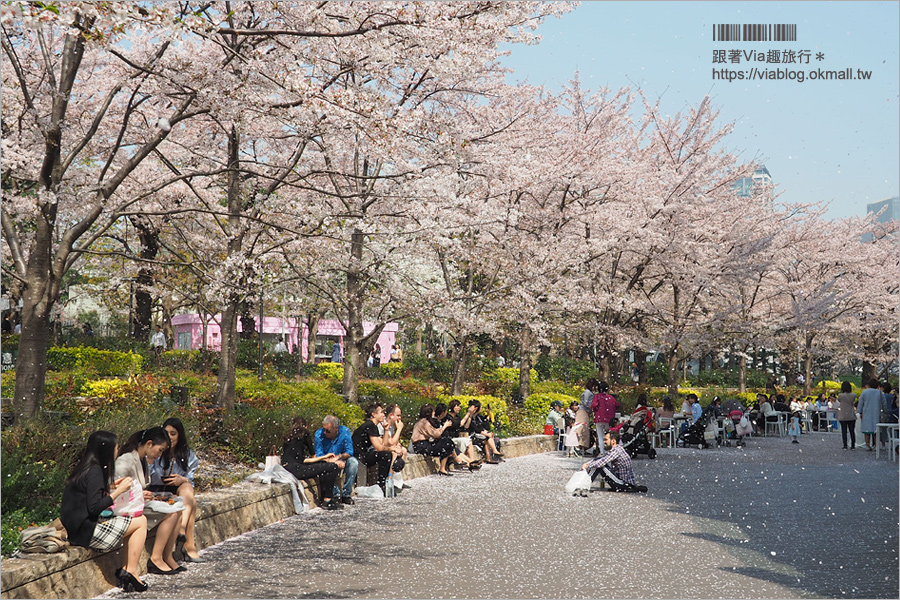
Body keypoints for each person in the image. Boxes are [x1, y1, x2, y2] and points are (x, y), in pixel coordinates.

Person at [61, 431, 150, 593]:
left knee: (136, 521)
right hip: (85, 532)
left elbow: (90, 496)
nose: (117, 451)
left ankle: (129, 570)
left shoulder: (86, 467)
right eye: (115, 448)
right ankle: (130, 571)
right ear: (106, 450)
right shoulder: (94, 471)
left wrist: (112, 487)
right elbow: (94, 507)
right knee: (141, 521)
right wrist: (119, 491)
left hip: (77, 528)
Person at [115, 428, 184, 575]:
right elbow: (115, 488)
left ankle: (167, 556)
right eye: (160, 450)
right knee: (171, 513)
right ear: (149, 444)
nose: (160, 455)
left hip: (138, 503)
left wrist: (145, 494)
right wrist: (139, 493)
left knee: (178, 509)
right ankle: (156, 558)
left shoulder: (142, 460)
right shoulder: (125, 460)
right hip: (126, 507)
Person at [148, 418, 203, 563]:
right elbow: (147, 477)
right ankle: (188, 545)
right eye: (166, 433)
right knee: (192, 503)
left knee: (187, 487)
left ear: (179, 435)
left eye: (173, 434)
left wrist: (182, 479)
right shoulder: (155, 451)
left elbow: (190, 479)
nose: (169, 438)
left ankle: (182, 529)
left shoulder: (187, 455)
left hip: (178, 490)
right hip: (156, 490)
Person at [281, 416, 343, 510]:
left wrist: (324, 457)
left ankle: (323, 497)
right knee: (332, 467)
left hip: (287, 468)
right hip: (297, 470)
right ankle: (327, 499)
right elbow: (313, 455)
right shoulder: (304, 433)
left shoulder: (288, 436)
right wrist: (326, 461)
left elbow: (301, 461)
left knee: (322, 465)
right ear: (305, 426)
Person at [352, 403, 406, 493]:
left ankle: (383, 483)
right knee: (385, 455)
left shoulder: (373, 426)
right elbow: (379, 448)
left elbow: (383, 444)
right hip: (359, 457)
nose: (383, 415)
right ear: (374, 414)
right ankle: (382, 485)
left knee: (386, 454)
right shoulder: (369, 425)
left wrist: (386, 430)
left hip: (364, 455)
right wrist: (392, 449)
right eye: (381, 412)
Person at [411, 404, 475, 475]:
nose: (434, 413)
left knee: (447, 442)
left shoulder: (424, 421)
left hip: (424, 445)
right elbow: (436, 434)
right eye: (433, 412)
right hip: (421, 446)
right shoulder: (424, 422)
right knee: (446, 442)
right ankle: (453, 461)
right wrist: (444, 426)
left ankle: (445, 467)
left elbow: (434, 433)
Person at [581, 430, 647, 493]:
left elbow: (603, 462)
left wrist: (588, 466)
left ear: (613, 441)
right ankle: (584, 483)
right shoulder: (617, 449)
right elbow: (601, 458)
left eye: (606, 439)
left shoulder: (617, 451)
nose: (604, 442)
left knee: (600, 465)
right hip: (623, 483)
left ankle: (584, 484)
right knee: (598, 462)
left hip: (623, 484)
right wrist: (588, 463)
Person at [314, 415, 358, 505]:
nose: (325, 433)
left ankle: (346, 494)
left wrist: (339, 457)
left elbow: (349, 452)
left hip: (341, 459)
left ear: (336, 428)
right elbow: (319, 455)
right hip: (327, 462)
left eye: (328, 431)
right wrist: (332, 461)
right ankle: (335, 494)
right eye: (324, 429)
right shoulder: (319, 435)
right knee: (326, 467)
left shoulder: (345, 432)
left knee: (353, 463)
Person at [467, 399, 503, 463]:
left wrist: (488, 414)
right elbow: (474, 428)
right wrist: (486, 434)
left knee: (493, 439)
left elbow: (486, 426)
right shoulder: (469, 417)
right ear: (476, 408)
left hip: (479, 436)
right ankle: (493, 453)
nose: (481, 408)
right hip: (472, 436)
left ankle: (491, 457)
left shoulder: (478, 417)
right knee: (486, 438)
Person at [591, 381, 620, 456]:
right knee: (611, 435)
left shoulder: (597, 396)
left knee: (600, 436)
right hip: (609, 420)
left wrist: (597, 408)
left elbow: (593, 405)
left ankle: (602, 452)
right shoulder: (611, 397)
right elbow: (617, 405)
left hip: (599, 419)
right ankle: (614, 450)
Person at [857, 379, 882, 451]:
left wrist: (860, 412)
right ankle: (876, 445)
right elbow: (884, 403)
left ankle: (867, 444)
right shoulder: (879, 392)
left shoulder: (864, 392)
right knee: (876, 430)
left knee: (867, 430)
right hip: (876, 412)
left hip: (866, 412)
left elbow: (861, 403)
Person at [835, 381, 858, 450]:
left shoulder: (840, 396)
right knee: (852, 431)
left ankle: (845, 445)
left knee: (844, 431)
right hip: (851, 415)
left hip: (843, 415)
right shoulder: (853, 395)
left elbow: (839, 401)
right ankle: (853, 445)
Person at [577, 379, 598, 452]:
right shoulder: (587, 393)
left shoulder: (588, 392)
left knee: (585, 431)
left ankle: (582, 448)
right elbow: (586, 403)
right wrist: (594, 406)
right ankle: (580, 447)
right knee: (582, 430)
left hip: (585, 412)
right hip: (583, 412)